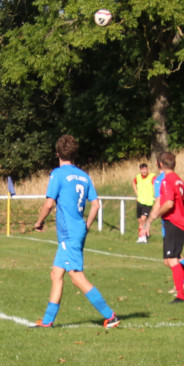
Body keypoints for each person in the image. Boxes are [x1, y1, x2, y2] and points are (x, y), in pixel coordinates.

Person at [31, 135, 119, 328]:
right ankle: (47, 321)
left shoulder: (57, 174)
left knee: (77, 277)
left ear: (57, 154)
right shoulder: (84, 176)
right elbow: (96, 204)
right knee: (56, 274)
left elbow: (49, 204)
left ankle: (110, 315)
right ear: (74, 154)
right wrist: (86, 225)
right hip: (77, 229)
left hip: (68, 233)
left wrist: (39, 222)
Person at [146, 151, 184, 303]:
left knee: (172, 259)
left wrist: (156, 214)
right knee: (169, 260)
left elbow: (169, 203)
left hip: (173, 222)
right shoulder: (179, 181)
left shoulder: (166, 181)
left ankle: (181, 295)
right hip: (179, 222)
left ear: (160, 164)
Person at [132, 162, 157, 243]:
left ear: (147, 169)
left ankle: (144, 237)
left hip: (148, 202)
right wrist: (137, 193)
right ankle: (141, 237)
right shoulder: (138, 177)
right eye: (142, 169)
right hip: (140, 201)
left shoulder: (152, 176)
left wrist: (156, 194)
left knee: (143, 219)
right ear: (140, 170)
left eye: (145, 169)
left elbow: (155, 184)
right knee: (140, 221)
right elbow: (133, 183)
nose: (144, 171)